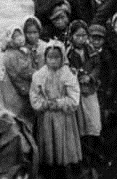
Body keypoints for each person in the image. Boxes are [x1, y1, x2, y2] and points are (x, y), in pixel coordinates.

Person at [30, 40, 82, 178]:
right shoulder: (39, 75)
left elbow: (74, 98)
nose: (53, 61)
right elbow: (34, 97)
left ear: (62, 57)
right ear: (45, 58)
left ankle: (65, 170)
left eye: (56, 58)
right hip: (47, 117)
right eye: (49, 58)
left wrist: (59, 103)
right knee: (49, 145)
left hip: (64, 118)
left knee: (64, 145)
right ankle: (49, 170)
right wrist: (45, 104)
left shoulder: (68, 74)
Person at [67, 20, 102, 178]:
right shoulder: (68, 52)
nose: (81, 39)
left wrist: (91, 76)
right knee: (81, 125)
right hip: (77, 93)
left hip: (90, 90)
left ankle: (94, 155)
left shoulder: (91, 50)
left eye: (84, 35)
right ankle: (84, 159)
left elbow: (97, 65)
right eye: (77, 35)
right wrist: (76, 76)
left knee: (93, 122)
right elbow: (66, 69)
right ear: (71, 36)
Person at [0, 20, 46, 127]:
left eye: (20, 35)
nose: (20, 38)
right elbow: (25, 71)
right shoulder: (13, 54)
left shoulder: (19, 50)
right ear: (10, 39)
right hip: (25, 89)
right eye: (15, 37)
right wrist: (40, 75)